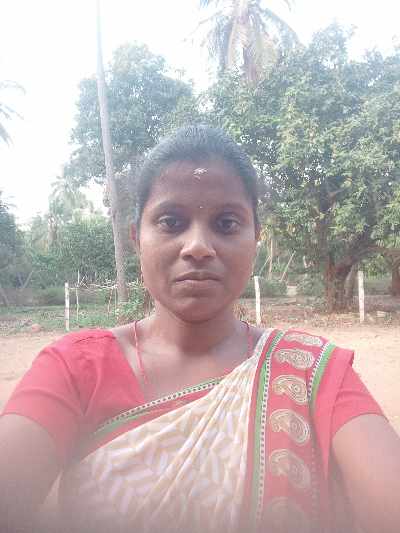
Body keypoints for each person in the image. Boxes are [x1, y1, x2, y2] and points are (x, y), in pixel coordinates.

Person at [1, 125, 400, 533]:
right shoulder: (75, 369)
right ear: (137, 238)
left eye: (226, 224)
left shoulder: (309, 372)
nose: (197, 246)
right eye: (171, 221)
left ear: (255, 238)